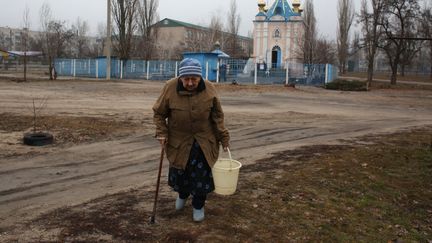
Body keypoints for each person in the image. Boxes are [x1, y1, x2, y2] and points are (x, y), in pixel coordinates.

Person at [152, 58, 230, 222]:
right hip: (179, 142)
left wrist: (223, 137)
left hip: (203, 141)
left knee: (201, 178)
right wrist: (162, 133)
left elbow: (217, 116)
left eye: (193, 79)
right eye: (186, 79)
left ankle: (198, 205)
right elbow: (159, 113)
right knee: (181, 174)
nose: (189, 83)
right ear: (180, 78)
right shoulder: (170, 87)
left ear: (200, 77)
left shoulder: (209, 89)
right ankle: (182, 194)